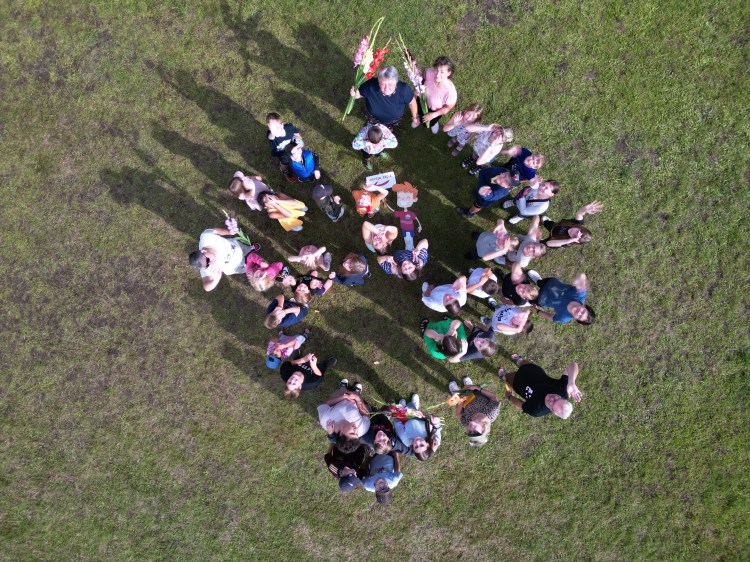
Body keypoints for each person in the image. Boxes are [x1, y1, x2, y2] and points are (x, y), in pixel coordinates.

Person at [500, 355, 583, 418]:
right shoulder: (563, 391)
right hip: (532, 370)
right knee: (525, 363)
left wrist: (510, 397)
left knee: (508, 377)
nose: (552, 399)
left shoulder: (537, 410)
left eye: (552, 404)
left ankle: (504, 376)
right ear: (562, 398)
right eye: (557, 398)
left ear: (553, 411)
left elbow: (521, 404)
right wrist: (571, 382)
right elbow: (573, 365)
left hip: (518, 382)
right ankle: (519, 361)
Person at [188, 227, 260, 292]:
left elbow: (215, 230)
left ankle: (250, 248)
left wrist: (229, 232)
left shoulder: (206, 237)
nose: (210, 263)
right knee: (247, 268)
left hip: (236, 247)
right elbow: (206, 287)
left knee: (244, 248)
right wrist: (215, 280)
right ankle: (252, 267)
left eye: (208, 260)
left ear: (203, 251)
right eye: (207, 265)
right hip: (235, 266)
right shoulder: (205, 267)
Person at [349, 66, 419, 129]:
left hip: (393, 119)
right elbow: (360, 95)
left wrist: (415, 117)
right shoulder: (370, 86)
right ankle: (373, 124)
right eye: (383, 84)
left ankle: (389, 127)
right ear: (378, 82)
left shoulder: (404, 90)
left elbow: (412, 102)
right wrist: (356, 95)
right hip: (373, 117)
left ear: (396, 83)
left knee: (390, 126)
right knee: (373, 125)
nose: (386, 88)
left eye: (390, 84)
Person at [448, 377, 501, 446]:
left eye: (469, 432)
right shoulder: (492, 411)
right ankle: (469, 386)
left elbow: (458, 414)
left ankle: (457, 394)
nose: (470, 429)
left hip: (464, 402)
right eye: (475, 432)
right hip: (476, 393)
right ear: (483, 430)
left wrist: (460, 402)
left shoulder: (467, 423)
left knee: (457, 395)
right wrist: (477, 388)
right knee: (470, 388)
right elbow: (493, 397)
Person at [530, 271, 595, 325]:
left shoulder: (564, 318)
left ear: (576, 319)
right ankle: (538, 281)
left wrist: (537, 311)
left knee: (529, 298)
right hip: (550, 283)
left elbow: (551, 317)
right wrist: (581, 279)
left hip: (542, 300)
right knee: (540, 282)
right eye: (583, 311)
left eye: (580, 316)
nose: (579, 313)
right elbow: (582, 276)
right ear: (584, 306)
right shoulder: (580, 294)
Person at [391, 394, 442, 460]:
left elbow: (396, 422)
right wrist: (436, 423)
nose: (418, 442)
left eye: (416, 446)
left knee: (400, 407)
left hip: (405, 417)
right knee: (411, 405)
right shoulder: (431, 436)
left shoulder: (405, 439)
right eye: (422, 445)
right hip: (418, 415)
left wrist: (406, 412)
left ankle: (402, 406)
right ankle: (414, 406)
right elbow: (437, 432)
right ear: (427, 445)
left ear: (413, 448)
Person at [338, 452, 402, 502]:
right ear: (389, 487)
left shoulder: (367, 485)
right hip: (388, 454)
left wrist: (368, 459)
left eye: (380, 489)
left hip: (375, 457)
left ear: (375, 491)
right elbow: (397, 471)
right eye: (385, 487)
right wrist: (396, 455)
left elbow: (366, 474)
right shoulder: (394, 480)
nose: (382, 485)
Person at [420, 56, 458, 134]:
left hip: (435, 111)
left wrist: (433, 115)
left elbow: (448, 108)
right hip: (422, 100)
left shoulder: (450, 93)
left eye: (442, 72)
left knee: (430, 122)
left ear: (449, 73)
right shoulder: (429, 72)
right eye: (436, 70)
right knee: (420, 113)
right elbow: (422, 80)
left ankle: (433, 123)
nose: (437, 74)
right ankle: (417, 118)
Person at [266, 112, 303, 181]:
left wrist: (299, 141)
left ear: (282, 125)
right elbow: (270, 137)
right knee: (284, 161)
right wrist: (272, 132)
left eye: (277, 127)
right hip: (280, 152)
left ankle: (300, 164)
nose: (275, 131)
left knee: (297, 155)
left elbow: (296, 133)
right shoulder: (271, 134)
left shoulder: (289, 128)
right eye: (272, 128)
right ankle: (284, 170)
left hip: (291, 147)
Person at [389, 182, 422, 251]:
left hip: (410, 228)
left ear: (413, 199)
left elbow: (416, 218)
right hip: (404, 229)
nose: (403, 200)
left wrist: (420, 226)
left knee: (410, 238)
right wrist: (386, 204)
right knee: (406, 239)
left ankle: (411, 248)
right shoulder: (401, 213)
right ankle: (407, 248)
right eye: (400, 197)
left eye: (407, 197)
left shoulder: (410, 213)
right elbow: (393, 211)